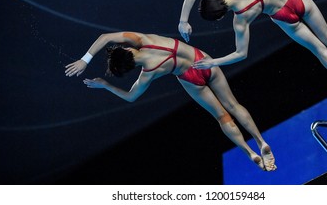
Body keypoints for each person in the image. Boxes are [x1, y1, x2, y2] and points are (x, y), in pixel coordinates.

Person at [65, 31, 276, 171]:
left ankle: (250, 153)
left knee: (222, 116)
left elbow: (131, 97)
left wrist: (107, 85)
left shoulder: (148, 73)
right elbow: (105, 37)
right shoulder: (142, 39)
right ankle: (261, 142)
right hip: (203, 61)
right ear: (127, 49)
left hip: (190, 79)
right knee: (233, 105)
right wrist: (85, 59)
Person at [178, 0, 327, 101]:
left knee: (319, 50)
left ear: (221, 15)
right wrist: (183, 22)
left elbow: (241, 54)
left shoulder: (240, 20)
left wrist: (214, 62)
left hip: (282, 16)